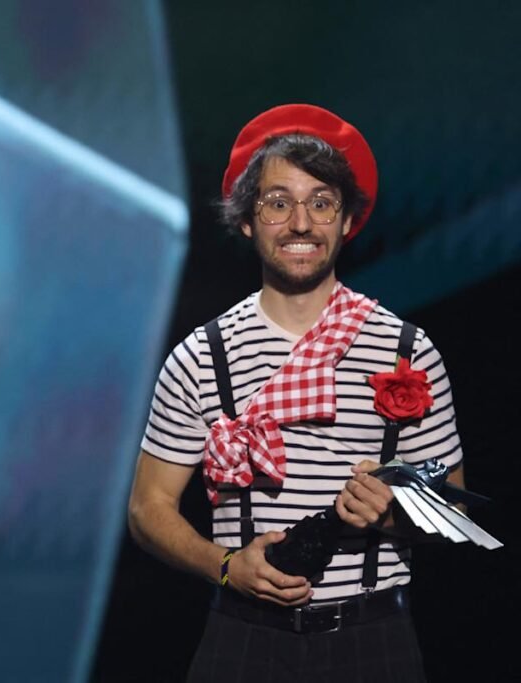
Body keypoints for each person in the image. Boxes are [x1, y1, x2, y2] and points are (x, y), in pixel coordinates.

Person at [128, 104, 465, 682]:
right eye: (278, 203)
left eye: (321, 203)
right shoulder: (201, 356)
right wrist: (225, 565)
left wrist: (392, 514)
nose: (301, 224)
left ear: (346, 220)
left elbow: (453, 507)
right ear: (247, 220)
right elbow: (147, 509)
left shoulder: (406, 350)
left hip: (373, 641)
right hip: (244, 636)